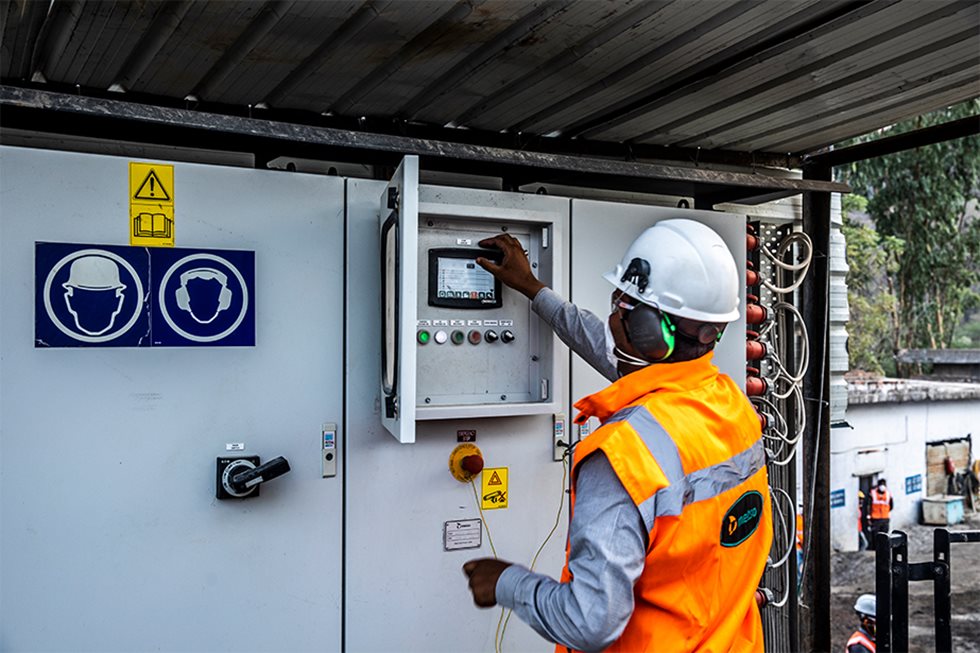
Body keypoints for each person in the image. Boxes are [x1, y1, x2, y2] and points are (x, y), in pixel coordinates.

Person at [462, 220, 773, 652]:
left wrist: (505, 581)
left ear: (649, 330)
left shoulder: (624, 458)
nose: (612, 315)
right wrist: (535, 290)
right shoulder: (730, 404)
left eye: (622, 305)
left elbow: (590, 622)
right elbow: (611, 351)